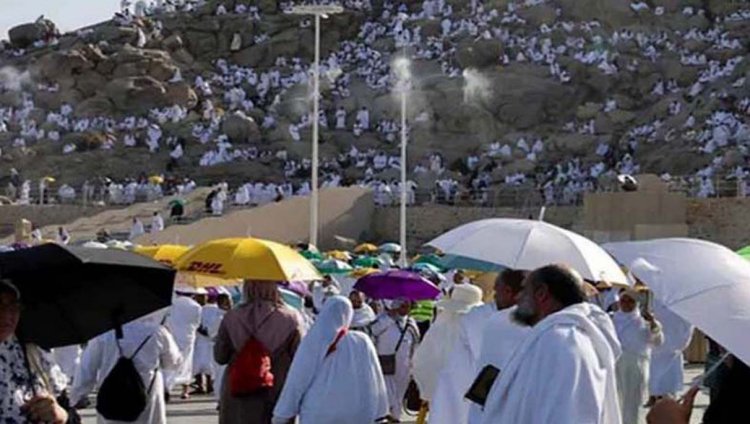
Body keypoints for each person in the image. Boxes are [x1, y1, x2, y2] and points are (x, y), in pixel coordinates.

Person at [480, 265, 623, 424]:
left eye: (524, 290)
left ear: (541, 294)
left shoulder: (563, 340)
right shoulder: (555, 336)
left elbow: (564, 414)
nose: (518, 298)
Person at [272, 296, 388, 424]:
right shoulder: (363, 340)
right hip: (358, 412)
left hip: (319, 412)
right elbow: (375, 376)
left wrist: (282, 414)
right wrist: (381, 412)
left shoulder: (313, 340)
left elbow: (298, 379)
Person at [214, 281, 305, 424]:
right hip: (276, 389)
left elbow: (220, 357)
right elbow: (300, 359)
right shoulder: (291, 318)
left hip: (238, 389)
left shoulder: (231, 316)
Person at [71, 309, 182, 424]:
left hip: (112, 398)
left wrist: (76, 397)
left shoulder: (103, 334)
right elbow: (173, 363)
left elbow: (87, 368)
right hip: (147, 396)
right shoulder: (157, 332)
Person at [0, 279, 71, 424]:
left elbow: (70, 415)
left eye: (13, 306)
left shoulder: (33, 352)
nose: (6, 316)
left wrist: (59, 414)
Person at [468, 270, 531, 424]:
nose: (495, 296)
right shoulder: (540, 321)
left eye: (497, 290)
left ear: (509, 292)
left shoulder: (497, 321)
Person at [412, 284, 483, 404]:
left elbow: (422, 358)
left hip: (443, 386)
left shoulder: (442, 323)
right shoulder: (478, 325)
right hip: (466, 387)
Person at [613, 290, 663, 424]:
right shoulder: (611, 319)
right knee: (616, 398)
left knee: (634, 399)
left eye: (631, 301)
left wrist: (652, 323)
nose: (627, 304)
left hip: (637, 363)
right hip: (616, 363)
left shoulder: (645, 321)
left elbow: (658, 342)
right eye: (623, 301)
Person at [369, 298, 420, 422]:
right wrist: (390, 318)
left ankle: (395, 418)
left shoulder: (411, 322)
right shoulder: (383, 319)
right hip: (385, 363)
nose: (405, 308)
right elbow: (374, 331)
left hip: (404, 365)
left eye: (408, 306)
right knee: (385, 393)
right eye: (402, 305)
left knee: (399, 395)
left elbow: (416, 342)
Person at [648, 300, 693, 405]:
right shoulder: (657, 299)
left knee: (670, 385)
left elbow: (688, 326)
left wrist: (679, 345)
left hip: (673, 350)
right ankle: (655, 397)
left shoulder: (683, 303)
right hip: (657, 348)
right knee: (656, 381)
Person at [164, 291, 202, 400]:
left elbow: (166, 319)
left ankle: (167, 387)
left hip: (171, 335)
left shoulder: (171, 303)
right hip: (188, 337)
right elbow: (197, 324)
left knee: (169, 362)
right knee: (187, 363)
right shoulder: (196, 306)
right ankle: (185, 390)